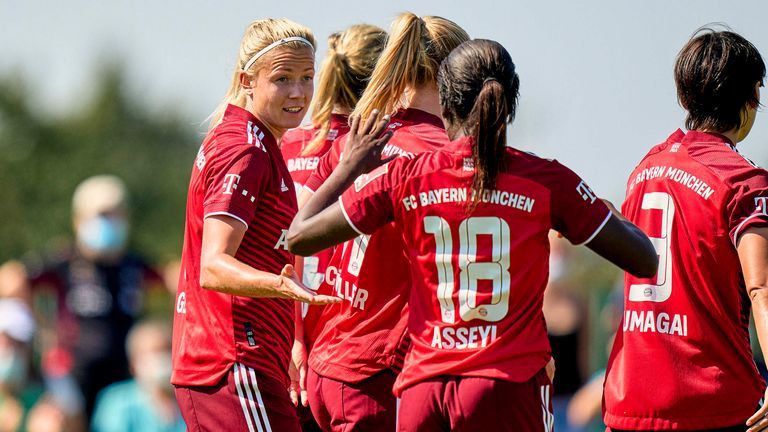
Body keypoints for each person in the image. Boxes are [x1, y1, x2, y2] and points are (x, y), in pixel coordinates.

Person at [287, 39, 657, 432]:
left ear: (444, 107)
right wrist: (603, 213)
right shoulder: (547, 181)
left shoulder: (407, 176)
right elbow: (644, 259)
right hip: (505, 385)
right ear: (510, 105)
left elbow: (299, 236)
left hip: (423, 391)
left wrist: (347, 167)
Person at [295, 13, 469, 432]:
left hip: (329, 358)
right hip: (379, 371)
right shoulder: (445, 154)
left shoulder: (361, 135)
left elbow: (299, 231)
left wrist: (296, 339)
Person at [170, 18, 339, 432]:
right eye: (282, 79)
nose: (298, 92)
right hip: (232, 362)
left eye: (307, 77)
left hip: (245, 361)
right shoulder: (247, 149)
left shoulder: (258, 139)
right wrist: (281, 287)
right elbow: (213, 265)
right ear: (248, 79)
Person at [603, 28, 768, 432]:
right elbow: (761, 288)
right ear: (752, 97)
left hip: (628, 404)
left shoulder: (644, 171)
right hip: (714, 405)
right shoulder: (745, 182)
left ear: (684, 97)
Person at [280, 24, 387, 432]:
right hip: (352, 356)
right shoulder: (379, 151)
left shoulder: (284, 145)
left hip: (286, 343)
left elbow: (273, 250)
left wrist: (291, 337)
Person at [0, 174, 163, 419]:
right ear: (80, 220)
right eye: (101, 215)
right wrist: (43, 328)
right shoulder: (64, 260)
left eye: (114, 215)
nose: (108, 222)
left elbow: (172, 280)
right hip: (73, 373)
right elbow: (10, 280)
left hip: (123, 373)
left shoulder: (134, 263)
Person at [92, 320, 184, 432]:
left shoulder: (186, 403)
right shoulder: (116, 401)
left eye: (166, 350)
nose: (161, 358)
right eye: (153, 352)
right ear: (134, 364)